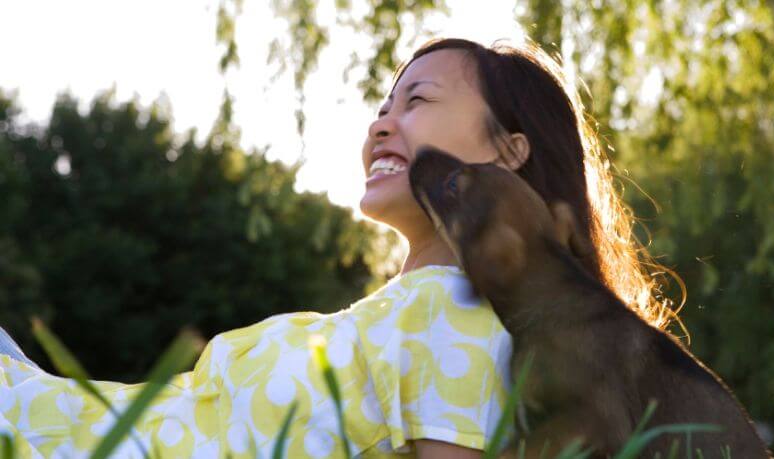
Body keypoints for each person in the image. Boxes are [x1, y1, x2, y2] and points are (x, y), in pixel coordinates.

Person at [0, 37, 677, 458]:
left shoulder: (467, 319)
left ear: (508, 149)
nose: (382, 121)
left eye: (416, 100)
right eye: (382, 105)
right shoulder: (407, 315)